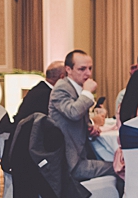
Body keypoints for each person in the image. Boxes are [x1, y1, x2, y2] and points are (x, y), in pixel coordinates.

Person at [47, 50, 114, 182]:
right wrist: (87, 92)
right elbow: (73, 113)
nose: (88, 73)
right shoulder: (61, 88)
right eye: (82, 69)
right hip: (69, 164)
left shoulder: (77, 89)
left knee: (117, 162)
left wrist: (90, 128)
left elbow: (77, 121)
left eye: (90, 68)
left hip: (81, 156)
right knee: (118, 167)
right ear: (68, 69)